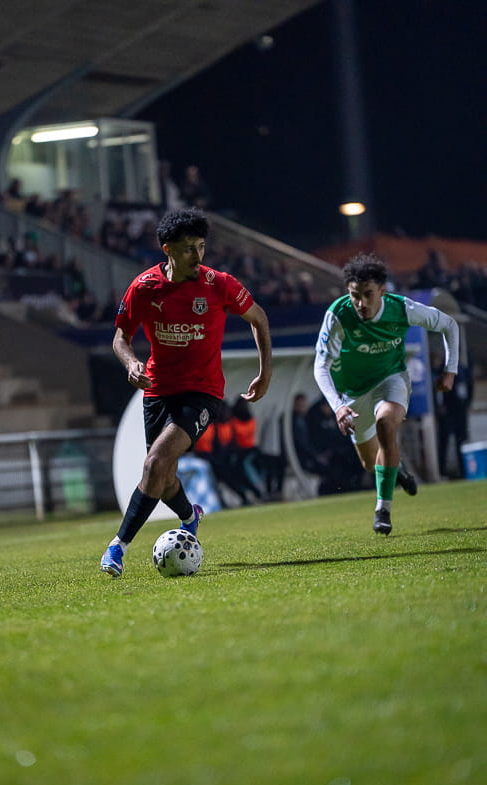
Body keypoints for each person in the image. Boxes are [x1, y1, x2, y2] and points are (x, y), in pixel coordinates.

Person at [100, 206, 272, 576]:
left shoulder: (219, 284)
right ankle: (189, 514)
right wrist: (131, 363)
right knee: (162, 479)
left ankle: (117, 547)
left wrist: (265, 373)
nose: (198, 256)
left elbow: (259, 318)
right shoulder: (144, 287)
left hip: (202, 391)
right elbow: (120, 338)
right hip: (157, 390)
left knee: (154, 464)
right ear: (168, 250)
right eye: (189, 249)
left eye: (201, 246)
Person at [314, 252, 459, 535]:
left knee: (386, 424)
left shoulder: (402, 308)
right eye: (355, 295)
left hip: (390, 379)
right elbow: (320, 367)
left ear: (382, 290)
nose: (361, 303)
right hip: (353, 393)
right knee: (370, 463)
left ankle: (383, 509)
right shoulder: (338, 314)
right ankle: (397, 468)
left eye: (368, 294)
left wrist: (450, 370)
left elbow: (449, 325)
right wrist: (338, 407)